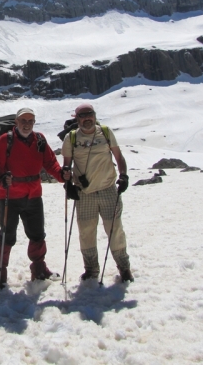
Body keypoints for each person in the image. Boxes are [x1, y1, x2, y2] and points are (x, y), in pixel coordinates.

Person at [0, 107, 71, 288]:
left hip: (33, 194)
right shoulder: (6, 140)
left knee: (37, 234)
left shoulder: (39, 140)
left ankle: (39, 270)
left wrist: (61, 175)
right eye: (23, 121)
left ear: (33, 123)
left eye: (30, 121)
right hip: (9, 195)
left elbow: (50, 163)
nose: (26, 125)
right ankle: (0, 276)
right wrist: (2, 179)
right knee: (7, 236)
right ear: (16, 123)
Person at [61, 103, 134, 283]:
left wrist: (123, 175)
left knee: (115, 230)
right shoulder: (71, 138)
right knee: (86, 232)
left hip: (108, 189)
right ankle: (91, 269)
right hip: (84, 192)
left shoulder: (106, 133)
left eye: (90, 114)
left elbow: (119, 157)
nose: (87, 118)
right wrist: (68, 182)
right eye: (82, 115)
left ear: (94, 115)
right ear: (77, 118)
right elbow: (66, 165)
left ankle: (124, 268)